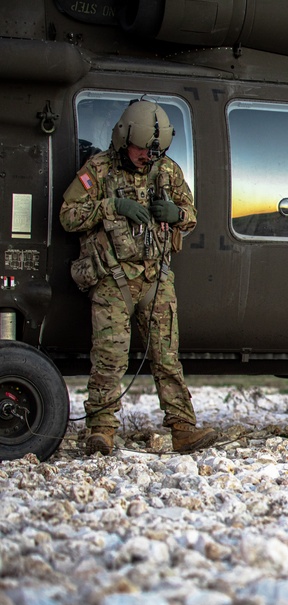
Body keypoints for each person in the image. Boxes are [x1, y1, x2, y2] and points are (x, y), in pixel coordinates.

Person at [60, 98, 218, 456]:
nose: (149, 157)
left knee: (167, 358)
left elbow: (190, 216)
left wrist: (175, 213)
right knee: (109, 360)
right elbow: (68, 215)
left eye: (155, 151)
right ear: (123, 139)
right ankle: (101, 431)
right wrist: (111, 206)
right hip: (113, 281)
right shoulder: (98, 171)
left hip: (156, 278)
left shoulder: (167, 171)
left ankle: (183, 429)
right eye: (143, 150)